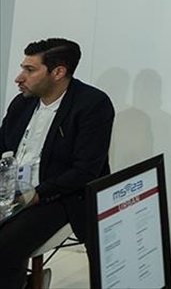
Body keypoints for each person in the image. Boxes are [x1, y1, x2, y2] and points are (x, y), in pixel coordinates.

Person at [0, 38, 114, 288]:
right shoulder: (22, 102)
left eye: (30, 70)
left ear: (58, 72)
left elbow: (85, 171)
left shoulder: (93, 105)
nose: (19, 78)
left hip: (60, 196)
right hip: (12, 191)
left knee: (5, 247)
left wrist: (34, 196)